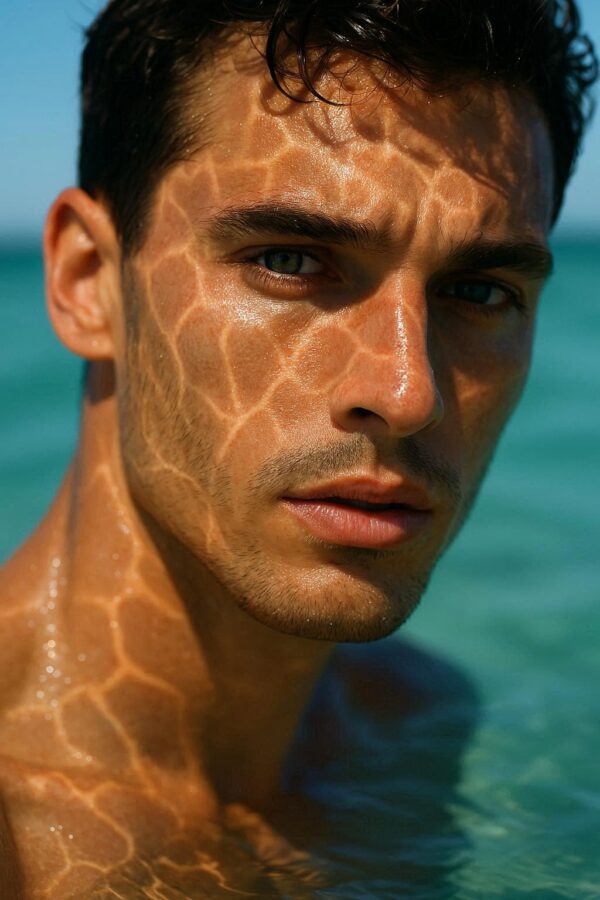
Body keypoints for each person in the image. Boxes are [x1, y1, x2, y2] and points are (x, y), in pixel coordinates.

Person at [0, 0, 596, 895]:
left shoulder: (424, 720)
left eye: (477, 290)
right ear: (88, 282)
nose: (407, 392)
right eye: (288, 260)